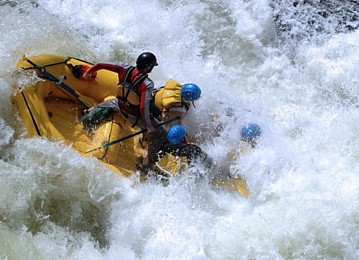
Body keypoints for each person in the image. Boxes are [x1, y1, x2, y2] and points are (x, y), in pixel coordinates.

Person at [81, 52, 158, 131]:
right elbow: (143, 107)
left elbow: (100, 64)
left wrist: (88, 72)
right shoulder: (148, 84)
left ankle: (90, 111)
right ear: (148, 67)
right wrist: (148, 125)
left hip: (118, 104)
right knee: (159, 131)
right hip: (133, 115)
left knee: (111, 101)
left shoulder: (123, 68)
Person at [141, 80, 202, 170]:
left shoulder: (179, 87)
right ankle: (148, 161)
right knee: (161, 136)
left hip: (151, 101)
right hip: (150, 113)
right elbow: (178, 121)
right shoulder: (180, 110)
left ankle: (148, 150)